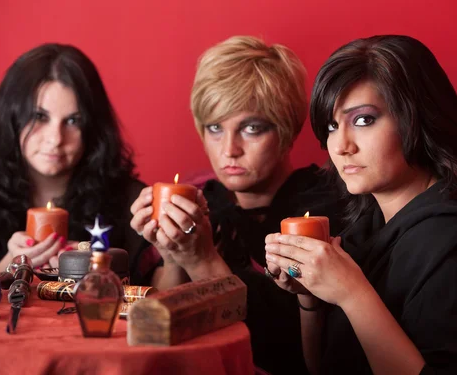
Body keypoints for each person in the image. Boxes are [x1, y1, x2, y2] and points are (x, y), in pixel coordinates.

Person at [264, 35, 457, 374]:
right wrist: (310, 297)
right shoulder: (367, 229)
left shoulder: (453, 242)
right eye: (332, 126)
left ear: (416, 117)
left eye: (364, 120)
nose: (340, 145)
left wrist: (352, 293)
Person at [130, 36, 346, 374]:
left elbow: (282, 351)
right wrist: (171, 254)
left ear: (286, 130)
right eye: (215, 128)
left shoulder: (324, 208)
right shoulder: (199, 197)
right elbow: (158, 334)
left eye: (251, 128)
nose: (229, 149)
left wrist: (202, 259)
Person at [0, 43, 151, 284]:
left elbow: (151, 302)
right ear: (12, 118)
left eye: (72, 121)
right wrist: (8, 266)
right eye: (39, 117)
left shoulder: (131, 202)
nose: (55, 139)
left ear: (92, 128)